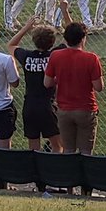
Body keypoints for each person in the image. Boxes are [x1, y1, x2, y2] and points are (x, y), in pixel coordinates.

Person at [44, 21, 103, 154]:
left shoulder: (56, 56)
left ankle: (69, 168)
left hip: (64, 110)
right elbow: (98, 87)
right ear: (83, 39)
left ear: (65, 39)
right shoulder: (91, 58)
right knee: (86, 151)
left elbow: (47, 83)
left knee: (68, 149)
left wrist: (60, 77)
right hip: (86, 109)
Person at [8, 15, 63, 152]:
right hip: (48, 105)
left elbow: (11, 45)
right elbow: (72, 39)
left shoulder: (27, 56)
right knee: (57, 146)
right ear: (53, 41)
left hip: (30, 105)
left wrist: (26, 28)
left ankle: (35, 166)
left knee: (33, 148)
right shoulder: (54, 55)